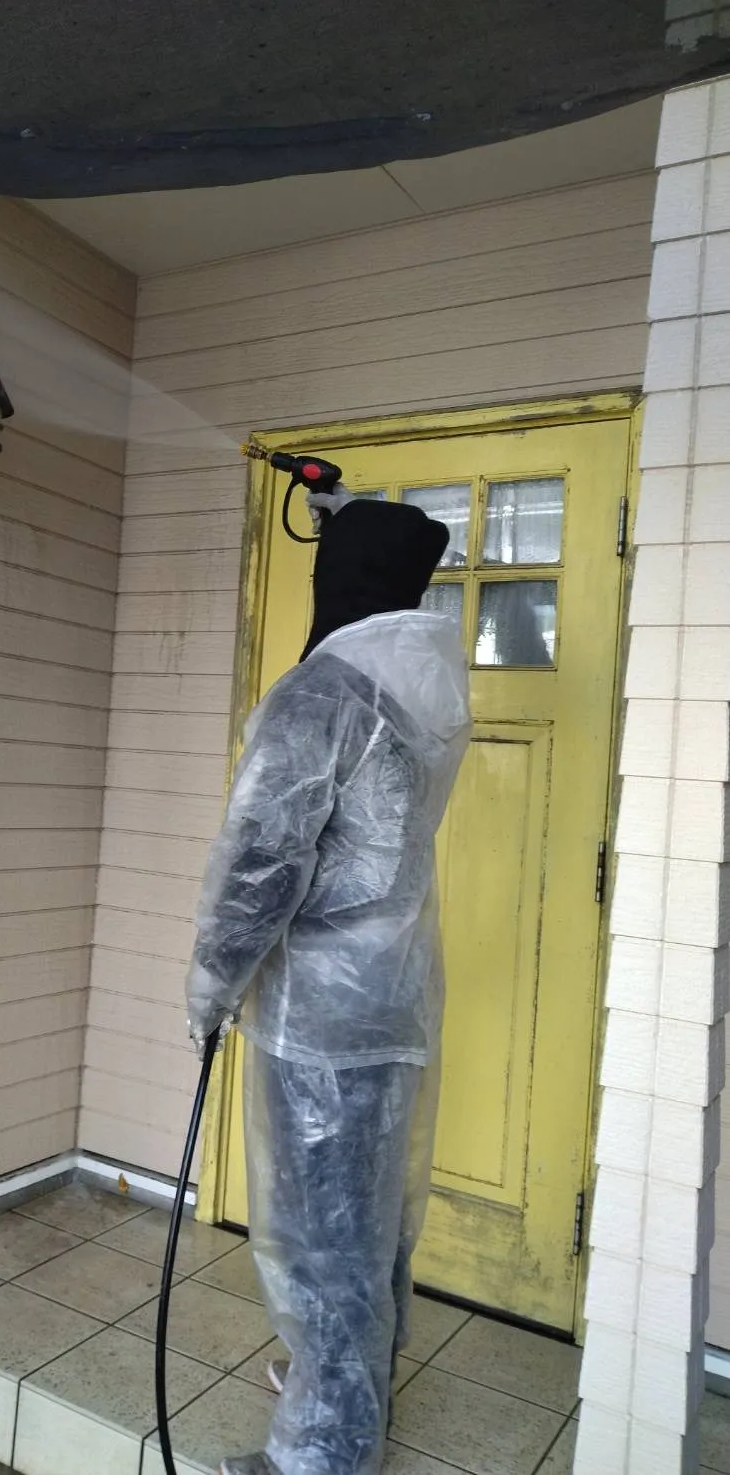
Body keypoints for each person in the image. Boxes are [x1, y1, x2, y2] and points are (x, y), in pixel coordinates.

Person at [185, 488, 471, 1475]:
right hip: (394, 991)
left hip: (321, 1011)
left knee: (321, 1238)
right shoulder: (428, 683)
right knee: (370, 1218)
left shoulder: (323, 695)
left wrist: (211, 983)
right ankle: (350, 1378)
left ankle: (324, 1451)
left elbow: (261, 862)